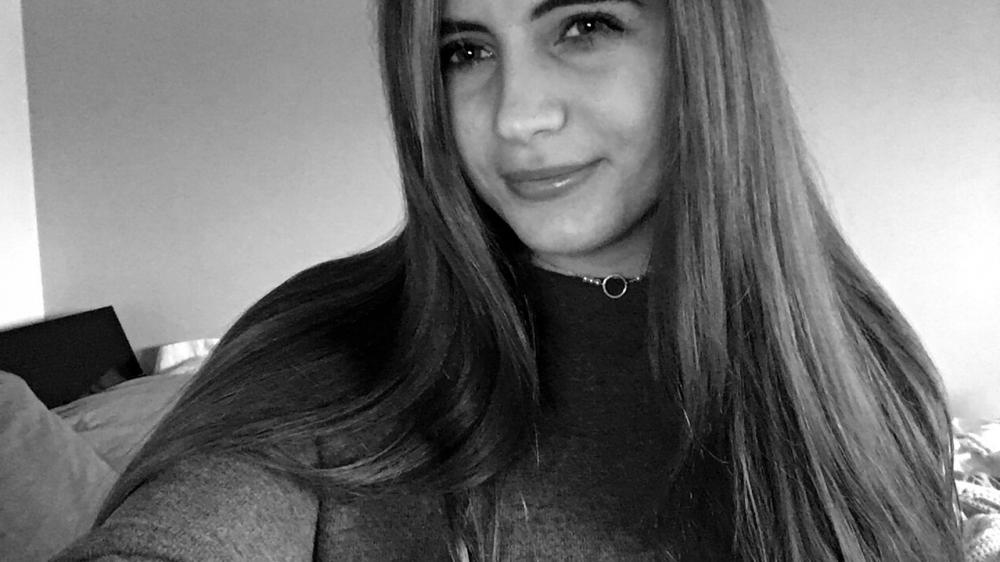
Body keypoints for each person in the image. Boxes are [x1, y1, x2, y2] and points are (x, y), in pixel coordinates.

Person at [56, 0, 963, 560]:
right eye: (464, 50)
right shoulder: (327, 345)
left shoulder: (869, 366)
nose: (518, 116)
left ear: (704, 45)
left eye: (585, 26)